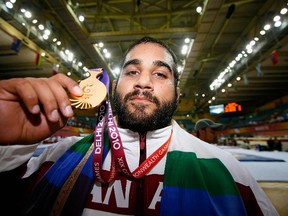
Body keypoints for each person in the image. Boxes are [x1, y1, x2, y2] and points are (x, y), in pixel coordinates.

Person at [0, 37, 278, 216]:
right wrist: (9, 145)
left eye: (159, 74)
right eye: (132, 72)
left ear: (178, 95)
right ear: (114, 86)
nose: (143, 82)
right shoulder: (60, 156)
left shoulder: (227, 172)